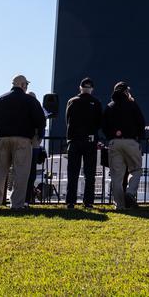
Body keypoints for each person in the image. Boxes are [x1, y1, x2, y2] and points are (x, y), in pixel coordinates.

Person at [0, 74, 46, 211]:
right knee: (21, 173)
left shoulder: (0, 99)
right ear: (23, 85)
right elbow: (41, 121)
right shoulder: (30, 101)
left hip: (2, 139)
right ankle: (17, 204)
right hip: (23, 140)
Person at [102, 82, 146, 210]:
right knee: (136, 170)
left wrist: (111, 136)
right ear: (126, 91)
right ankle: (130, 193)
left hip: (114, 143)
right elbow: (141, 122)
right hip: (131, 142)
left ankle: (120, 205)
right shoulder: (132, 105)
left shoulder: (109, 106)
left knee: (116, 176)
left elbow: (104, 126)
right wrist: (139, 137)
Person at [64, 77, 103, 209]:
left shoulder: (72, 101)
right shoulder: (96, 102)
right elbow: (99, 123)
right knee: (90, 174)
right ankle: (88, 201)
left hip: (74, 141)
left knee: (73, 173)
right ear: (91, 89)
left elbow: (67, 121)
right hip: (90, 141)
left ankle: (70, 201)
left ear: (80, 88)